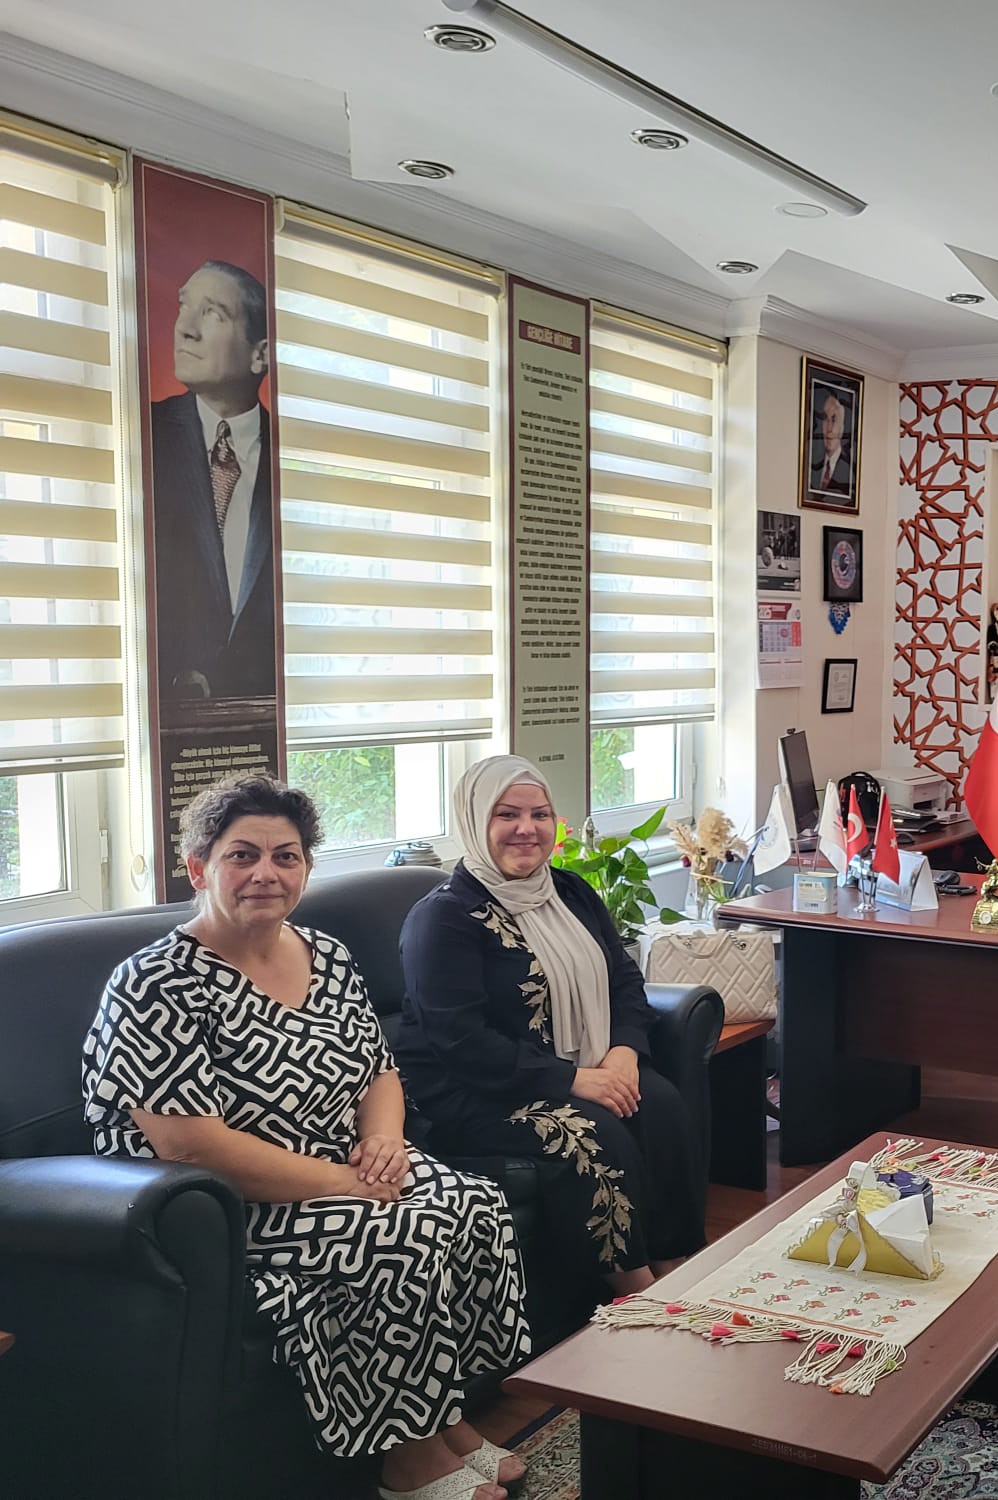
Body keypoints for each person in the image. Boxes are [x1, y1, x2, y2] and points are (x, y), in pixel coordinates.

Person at [81, 774, 530, 1500]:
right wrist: (347, 1183)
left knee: (473, 1205)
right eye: (242, 856)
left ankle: (446, 1418)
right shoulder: (153, 984)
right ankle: (406, 1461)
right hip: (230, 1208)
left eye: (285, 857)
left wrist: (385, 1142)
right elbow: (192, 1147)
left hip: (339, 1165)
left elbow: (378, 1070)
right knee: (401, 1237)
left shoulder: (325, 952)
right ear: (199, 869)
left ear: (306, 869)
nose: (267, 873)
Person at [398, 755, 705, 1301]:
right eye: (507, 815)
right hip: (476, 1090)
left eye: (539, 814)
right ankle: (637, 1294)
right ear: (474, 820)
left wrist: (624, 1051)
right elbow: (461, 1041)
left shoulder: (569, 891)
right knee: (591, 1132)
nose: (527, 829)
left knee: (659, 1104)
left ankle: (676, 1267)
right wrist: (573, 1080)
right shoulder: (442, 918)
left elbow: (623, 980)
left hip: (578, 1066)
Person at [151, 260, 277, 706]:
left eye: (212, 313)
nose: (185, 329)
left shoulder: (292, 458)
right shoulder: (144, 436)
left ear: (260, 355)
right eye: (183, 307)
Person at [806, 387, 853, 497]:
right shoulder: (810, 464)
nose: (829, 428)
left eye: (834, 420)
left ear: (842, 428)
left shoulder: (850, 471)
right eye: (825, 419)